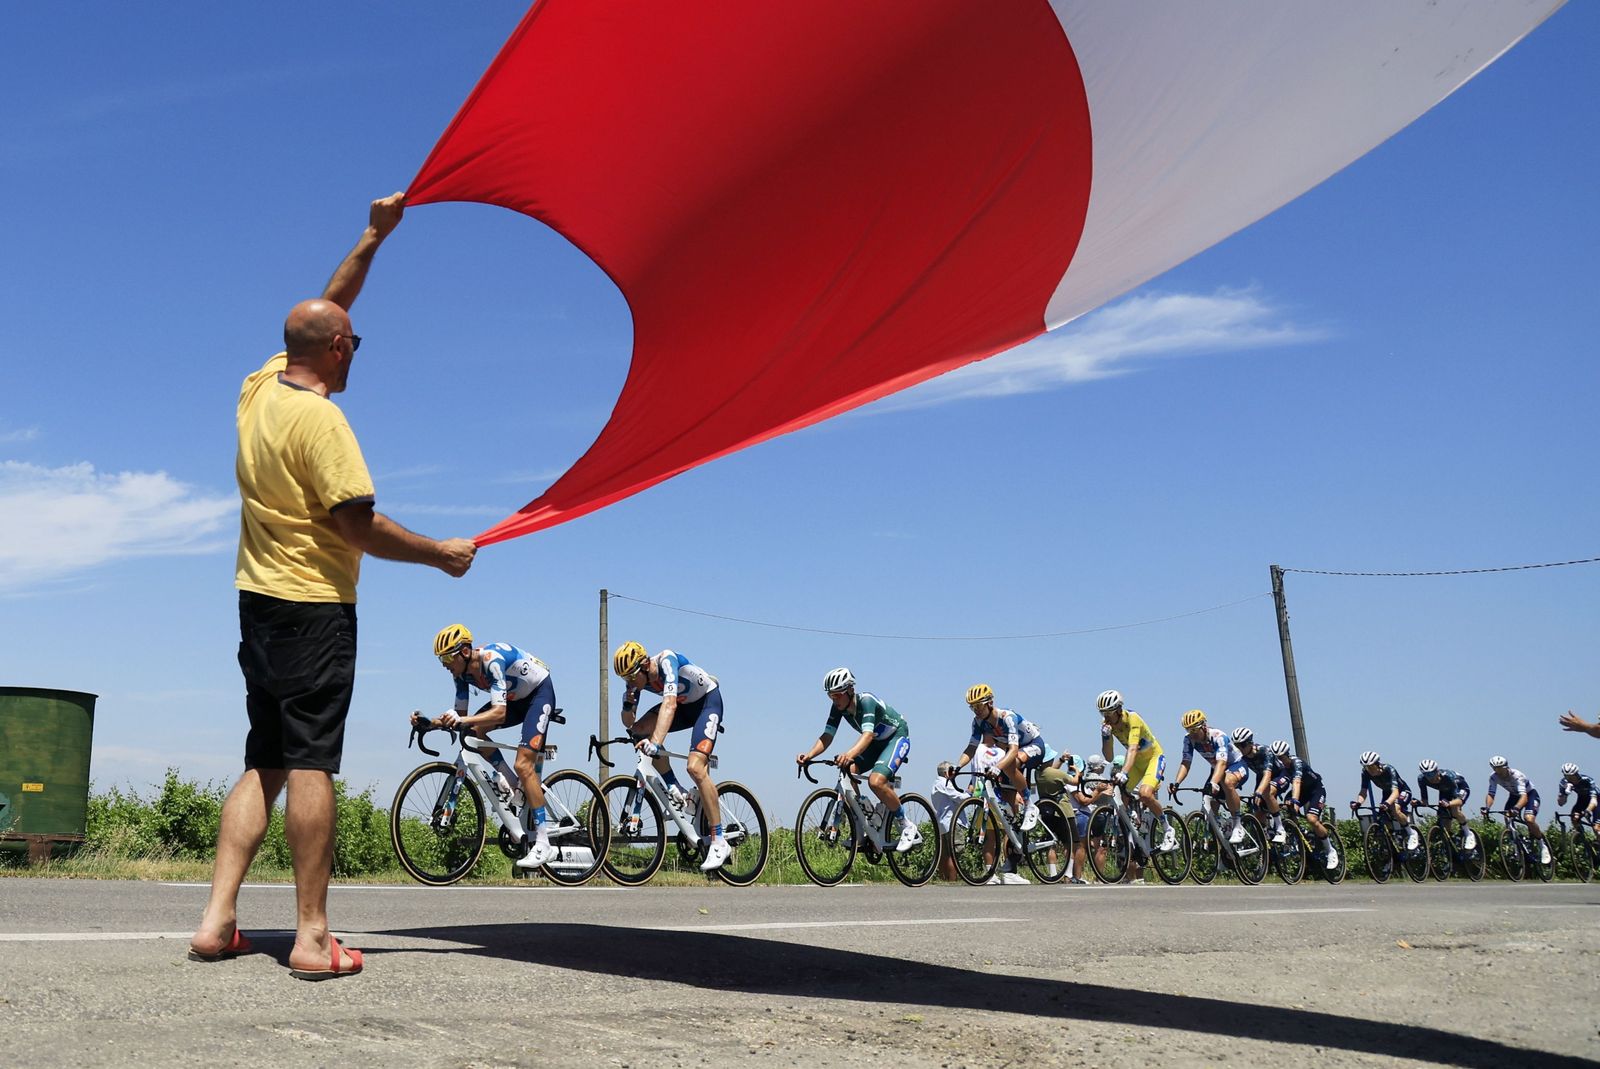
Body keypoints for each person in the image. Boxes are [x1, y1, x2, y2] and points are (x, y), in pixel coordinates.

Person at [189, 193, 477, 980]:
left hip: (257, 602)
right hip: (315, 607)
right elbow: (359, 528)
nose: (356, 348)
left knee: (265, 758)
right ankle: (314, 938)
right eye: (354, 342)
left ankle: (217, 920)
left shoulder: (258, 389)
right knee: (312, 761)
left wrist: (372, 238)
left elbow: (325, 310)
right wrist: (440, 553)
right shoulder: (325, 426)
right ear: (341, 349)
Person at [412, 626, 560, 870]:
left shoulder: (491, 662)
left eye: (448, 657)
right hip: (515, 700)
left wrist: (462, 720)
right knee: (472, 733)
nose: (444, 664)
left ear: (466, 652)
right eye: (441, 659)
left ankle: (544, 843)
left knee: (524, 764)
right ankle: (513, 785)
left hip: (538, 694)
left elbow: (499, 713)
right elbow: (461, 718)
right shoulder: (460, 675)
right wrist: (432, 723)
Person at [612, 641, 730, 871]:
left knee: (695, 767)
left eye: (631, 677)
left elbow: (669, 704)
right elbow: (629, 724)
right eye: (625, 679)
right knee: (638, 731)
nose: (630, 683)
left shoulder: (667, 661)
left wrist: (656, 743)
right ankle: (674, 787)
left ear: (645, 665)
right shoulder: (635, 681)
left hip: (707, 703)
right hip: (685, 707)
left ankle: (719, 840)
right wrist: (627, 705)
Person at [797, 668, 921, 853]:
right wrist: (809, 755)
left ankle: (907, 825)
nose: (834, 700)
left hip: (896, 738)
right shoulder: (838, 708)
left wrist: (848, 754)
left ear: (850, 691)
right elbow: (827, 736)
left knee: (875, 781)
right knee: (848, 772)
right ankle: (863, 826)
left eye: (837, 695)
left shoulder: (867, 701)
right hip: (876, 743)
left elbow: (868, 734)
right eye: (831, 696)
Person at [949, 683, 1056, 832]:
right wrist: (958, 766)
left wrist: (997, 767)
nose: (976, 711)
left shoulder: (1007, 718)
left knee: (1010, 764)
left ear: (990, 703)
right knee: (1006, 796)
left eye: (979, 706)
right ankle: (1014, 837)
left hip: (1033, 745)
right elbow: (971, 748)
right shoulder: (978, 722)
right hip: (1012, 752)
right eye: (972, 707)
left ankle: (1029, 805)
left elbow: (1013, 751)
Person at [1097, 689, 1178, 854]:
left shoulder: (1133, 719)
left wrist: (1124, 772)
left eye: (1109, 714)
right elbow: (1109, 756)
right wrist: (1105, 737)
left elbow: (1132, 749)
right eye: (1103, 714)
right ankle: (1132, 829)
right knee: (1119, 793)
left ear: (1119, 710)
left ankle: (1168, 829)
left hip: (1153, 759)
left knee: (1145, 793)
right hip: (1136, 764)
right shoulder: (1107, 725)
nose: (1106, 718)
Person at [1166, 710, 1247, 844]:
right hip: (1217, 768)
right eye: (1189, 730)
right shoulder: (1188, 739)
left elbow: (1222, 763)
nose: (1192, 734)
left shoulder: (1218, 736)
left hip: (1235, 765)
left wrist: (1214, 783)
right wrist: (1177, 783)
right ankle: (1222, 844)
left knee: (1226, 782)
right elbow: (1186, 763)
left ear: (1204, 726)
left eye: (1194, 730)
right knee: (1209, 801)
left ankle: (1237, 825)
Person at [1269, 740, 1338, 871]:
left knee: (1311, 818)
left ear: (1287, 755)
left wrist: (1295, 800)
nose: (1280, 761)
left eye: (1282, 757)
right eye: (1277, 758)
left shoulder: (1297, 763)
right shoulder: (1283, 768)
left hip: (1315, 790)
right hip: (1302, 791)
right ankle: (1299, 832)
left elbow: (1297, 783)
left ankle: (1330, 850)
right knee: (1287, 805)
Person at [1483, 756, 1551, 865]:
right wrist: (1487, 808)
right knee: (1507, 817)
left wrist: (1516, 809)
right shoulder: (1493, 777)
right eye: (1495, 768)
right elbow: (1491, 794)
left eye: (1500, 768)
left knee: (1528, 819)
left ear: (1506, 767)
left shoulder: (1517, 776)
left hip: (1529, 795)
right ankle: (1515, 842)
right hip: (1514, 795)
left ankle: (1542, 844)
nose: (1498, 771)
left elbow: (1524, 797)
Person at [1351, 751, 1419, 852]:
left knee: (1395, 808)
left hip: (1402, 791)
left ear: (1377, 764)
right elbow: (1363, 791)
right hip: (1387, 793)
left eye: (1371, 767)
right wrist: (1358, 803)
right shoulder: (1365, 772)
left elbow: (1395, 792)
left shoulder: (1389, 769)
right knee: (1383, 817)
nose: (1369, 770)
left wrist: (1387, 803)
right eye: (1366, 767)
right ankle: (1393, 848)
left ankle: (1411, 832)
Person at [1233, 728, 1284, 843]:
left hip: (1279, 775)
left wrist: (1259, 791)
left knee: (1266, 793)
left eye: (1242, 745)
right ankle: (1266, 839)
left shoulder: (1265, 751)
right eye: (1237, 746)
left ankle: (1280, 828)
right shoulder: (1242, 756)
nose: (1240, 749)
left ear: (1250, 743)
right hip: (1261, 777)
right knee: (1258, 811)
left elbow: (1268, 774)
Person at [1416, 759, 1476, 852]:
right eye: (1426, 774)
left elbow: (1459, 800)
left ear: (1437, 771)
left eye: (1431, 774)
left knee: (1454, 810)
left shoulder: (1447, 776)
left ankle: (1468, 833)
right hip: (1444, 790)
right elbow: (1425, 800)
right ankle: (1451, 845)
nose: (1430, 777)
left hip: (1460, 787)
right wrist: (1419, 803)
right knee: (1443, 818)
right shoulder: (1421, 779)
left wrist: (1450, 803)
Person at [931, 761, 966, 881]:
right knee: (954, 854)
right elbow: (958, 797)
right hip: (952, 821)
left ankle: (943, 879)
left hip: (942, 823)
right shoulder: (944, 783)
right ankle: (952, 881)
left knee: (944, 854)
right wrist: (972, 794)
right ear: (946, 772)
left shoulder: (936, 784)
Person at [1556, 763, 1598, 830]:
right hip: (1582, 800)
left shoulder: (1587, 780)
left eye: (1570, 776)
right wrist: (1565, 793)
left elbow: (1594, 801)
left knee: (1596, 829)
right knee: (1574, 818)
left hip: (1596, 800)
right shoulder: (1564, 782)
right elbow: (1561, 803)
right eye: (1565, 776)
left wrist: (1587, 811)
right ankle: (1581, 837)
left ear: (1576, 774)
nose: (1567, 778)